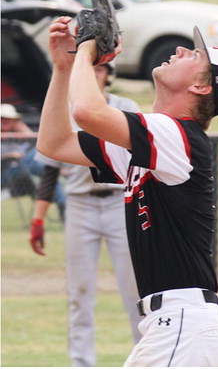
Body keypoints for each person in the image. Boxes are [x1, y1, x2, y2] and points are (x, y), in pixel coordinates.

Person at [37, 15, 218, 367]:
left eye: (194, 55)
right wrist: (64, 69)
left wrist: (88, 49)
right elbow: (54, 143)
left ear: (202, 86)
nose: (180, 49)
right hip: (173, 326)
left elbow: (88, 111)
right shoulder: (154, 143)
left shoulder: (178, 135)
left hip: (183, 324)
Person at [29, 62, 142, 367]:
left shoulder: (125, 107)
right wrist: (38, 218)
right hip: (80, 205)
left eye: (102, 68)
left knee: (136, 288)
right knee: (79, 291)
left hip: (121, 203)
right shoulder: (64, 110)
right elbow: (50, 173)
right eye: (90, 68)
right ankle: (81, 363)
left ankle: (148, 357)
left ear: (110, 74)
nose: (95, 74)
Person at [1, 103, 66, 217]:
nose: (5, 122)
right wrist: (10, 155)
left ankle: (63, 204)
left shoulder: (17, 136)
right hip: (6, 172)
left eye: (9, 119)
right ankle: (60, 170)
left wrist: (22, 129)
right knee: (37, 159)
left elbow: (37, 143)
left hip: (25, 169)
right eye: (2, 119)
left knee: (48, 172)